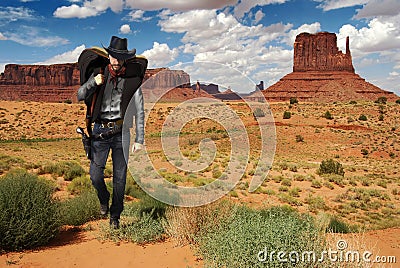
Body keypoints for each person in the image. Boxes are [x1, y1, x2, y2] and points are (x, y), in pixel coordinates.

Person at [77, 36, 145, 229]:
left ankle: (115, 216)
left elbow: (140, 110)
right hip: (100, 132)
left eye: (120, 57)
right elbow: (80, 95)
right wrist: (93, 83)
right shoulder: (98, 75)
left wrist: (140, 138)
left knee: (120, 178)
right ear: (109, 56)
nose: (116, 61)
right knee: (95, 176)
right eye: (114, 56)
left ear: (125, 59)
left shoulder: (133, 81)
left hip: (122, 132)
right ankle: (103, 198)